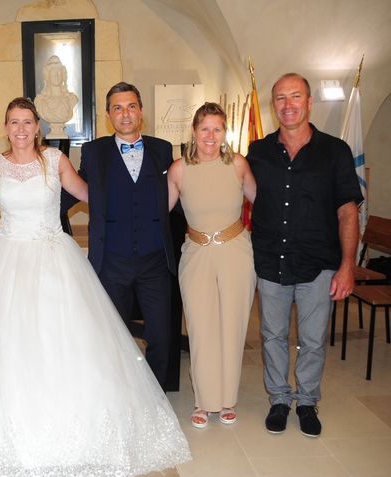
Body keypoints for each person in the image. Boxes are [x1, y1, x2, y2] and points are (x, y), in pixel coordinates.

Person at [0, 97, 191, 477]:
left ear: (38, 128)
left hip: (54, 260)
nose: (21, 129)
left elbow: (94, 195)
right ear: (5, 128)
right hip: (8, 262)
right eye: (14, 122)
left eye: (27, 122)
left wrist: (138, 206)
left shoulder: (55, 161)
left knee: (62, 340)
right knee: (12, 345)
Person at [248, 73, 363, 437]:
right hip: (271, 261)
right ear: (273, 105)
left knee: (313, 339)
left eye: (295, 96)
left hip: (318, 264)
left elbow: (348, 212)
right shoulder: (259, 151)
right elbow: (238, 197)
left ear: (309, 102)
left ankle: (308, 401)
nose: (287, 104)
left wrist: (348, 266)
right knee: (272, 336)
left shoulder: (336, 151)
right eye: (280, 98)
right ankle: (280, 400)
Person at [73, 81, 177, 389]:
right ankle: (117, 394)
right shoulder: (93, 152)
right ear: (108, 115)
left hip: (155, 262)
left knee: (160, 334)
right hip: (111, 262)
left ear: (141, 111)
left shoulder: (162, 149)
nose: (125, 114)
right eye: (117, 108)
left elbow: (182, 191)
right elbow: (73, 189)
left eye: (131, 106)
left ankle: (156, 395)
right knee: (110, 336)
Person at [167, 102, 256, 428]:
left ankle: (227, 399)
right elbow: (157, 211)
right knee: (202, 328)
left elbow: (263, 201)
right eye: (205, 128)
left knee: (231, 325)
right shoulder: (179, 170)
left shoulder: (237, 164)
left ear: (224, 133)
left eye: (217, 129)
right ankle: (204, 401)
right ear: (194, 130)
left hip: (235, 252)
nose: (210, 135)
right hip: (197, 253)